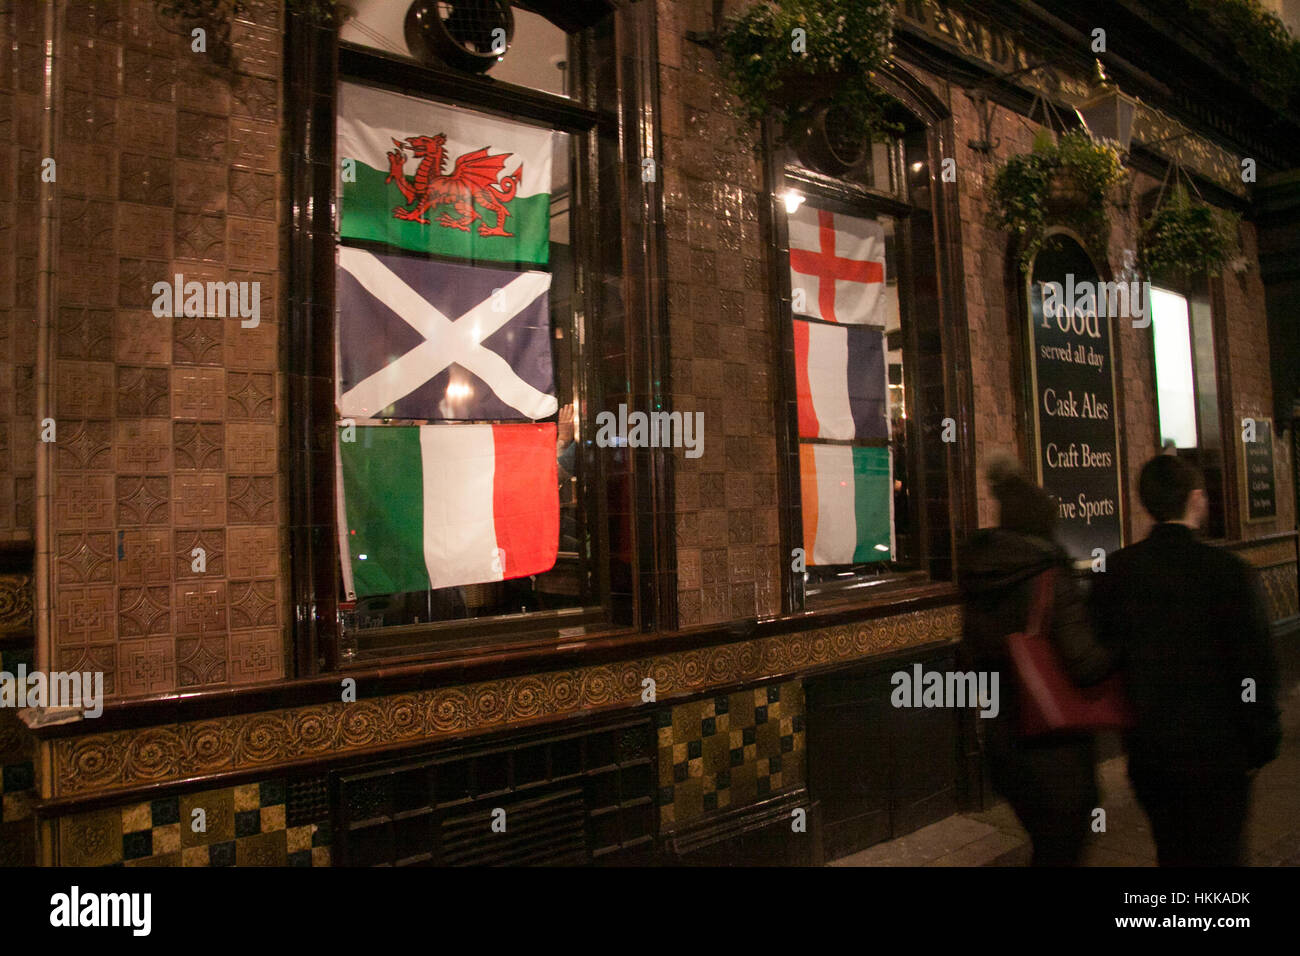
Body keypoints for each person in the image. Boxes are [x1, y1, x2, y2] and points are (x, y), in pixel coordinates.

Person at [1090, 455, 1281, 866]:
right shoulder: (1229, 571)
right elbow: (1255, 664)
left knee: (1172, 852)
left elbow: (1104, 655)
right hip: (1221, 754)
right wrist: (1262, 738)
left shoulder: (1117, 572)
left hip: (1152, 753)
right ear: (1195, 498)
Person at [958, 453, 1114, 866]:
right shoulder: (1049, 575)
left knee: (1047, 848)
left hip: (1003, 746)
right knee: (1061, 850)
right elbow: (1084, 663)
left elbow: (970, 658)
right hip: (1054, 749)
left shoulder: (980, 575)